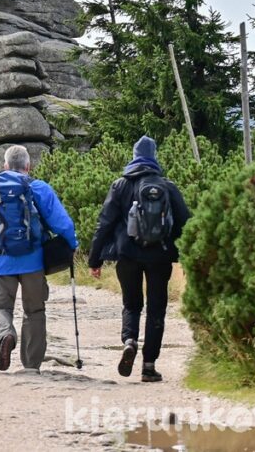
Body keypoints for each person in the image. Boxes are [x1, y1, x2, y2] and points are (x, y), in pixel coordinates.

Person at [88, 136, 190, 383]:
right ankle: (149, 366)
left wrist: (95, 259)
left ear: (134, 156)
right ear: (154, 156)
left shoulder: (120, 185)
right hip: (160, 256)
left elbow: (104, 224)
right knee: (156, 309)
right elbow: (186, 223)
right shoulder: (167, 186)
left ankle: (130, 340)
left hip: (127, 255)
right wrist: (185, 257)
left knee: (131, 304)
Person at [0, 145, 78, 372]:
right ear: (28, 166)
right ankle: (31, 365)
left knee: (0, 307)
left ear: (5, 166)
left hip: (0, 262)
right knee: (34, 311)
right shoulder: (39, 188)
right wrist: (72, 246)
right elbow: (63, 224)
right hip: (33, 261)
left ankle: (6, 335)